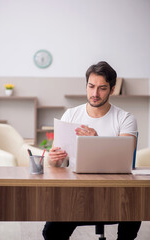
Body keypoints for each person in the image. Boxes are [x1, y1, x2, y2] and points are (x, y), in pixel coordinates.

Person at [42, 61, 141, 240]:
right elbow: (58, 163)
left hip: (114, 192)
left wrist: (96, 141)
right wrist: (53, 159)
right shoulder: (71, 115)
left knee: (134, 206)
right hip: (77, 192)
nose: (95, 94)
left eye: (102, 88)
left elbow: (124, 157)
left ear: (112, 89)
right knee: (51, 233)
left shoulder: (125, 118)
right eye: (91, 86)